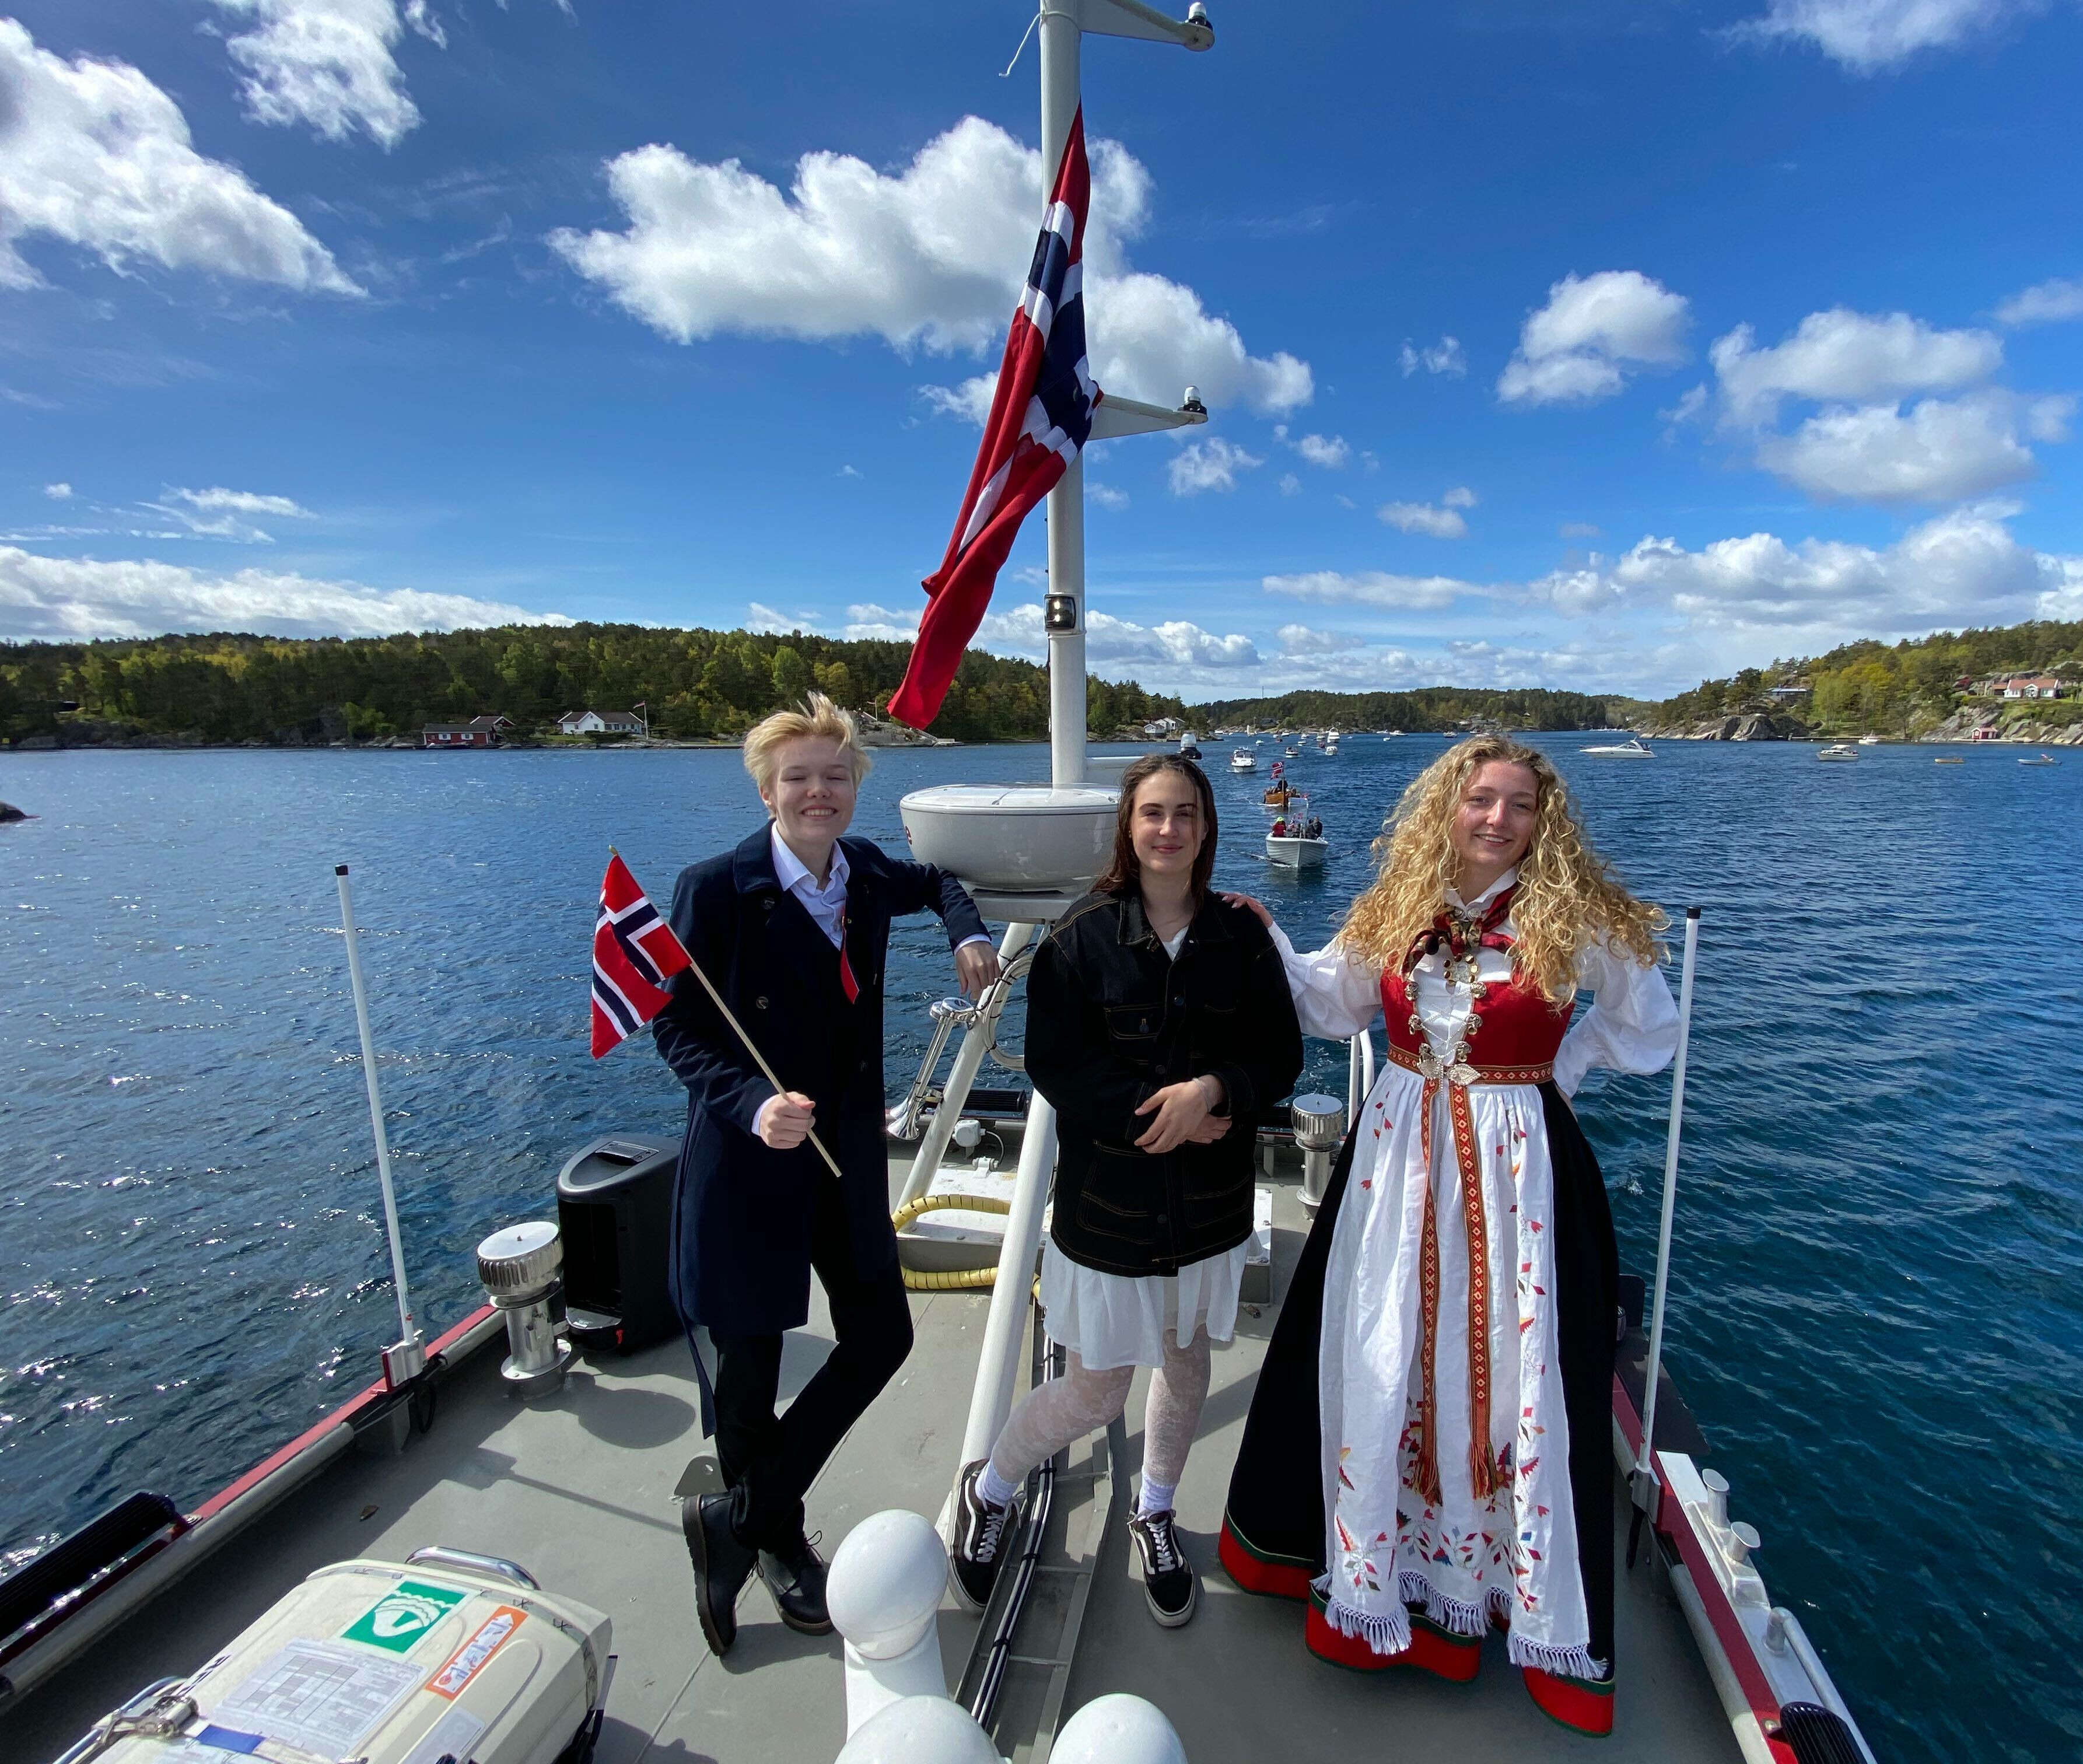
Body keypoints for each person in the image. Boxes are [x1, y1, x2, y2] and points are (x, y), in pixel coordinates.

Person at [1217, 735, 1678, 1735]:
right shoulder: (1398, 904)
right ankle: (1376, 1580)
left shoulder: (1574, 917)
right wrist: (1270, 938)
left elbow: (1650, 1027)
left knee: (1506, 1364)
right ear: (1449, 807)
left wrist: (1559, 1070)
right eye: (1482, 799)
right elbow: (1332, 1002)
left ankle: (1487, 1590)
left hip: (1517, 1173)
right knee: (1388, 1346)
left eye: (1521, 805)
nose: (1498, 819)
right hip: (1397, 1161)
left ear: (1543, 822)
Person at [653, 691, 999, 1656]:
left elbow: (939, 880)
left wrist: (967, 932)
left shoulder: (866, 873)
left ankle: (739, 1517)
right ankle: (773, 1540)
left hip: (841, 1159)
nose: (818, 792)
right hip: (748, 1166)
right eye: (798, 777)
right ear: (766, 791)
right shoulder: (715, 889)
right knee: (750, 1375)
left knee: (881, 1335)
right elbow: (675, 1026)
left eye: (835, 776)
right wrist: (748, 1103)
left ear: (855, 787)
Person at [952, 756, 1303, 1628]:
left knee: (1186, 1362)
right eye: (1153, 813)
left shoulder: (1241, 936)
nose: (1169, 829)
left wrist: (1215, 1091)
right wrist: (1170, 1114)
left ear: (1207, 827)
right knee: (1095, 1391)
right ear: (1129, 826)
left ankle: (1156, 1510)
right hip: (1111, 1211)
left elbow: (1279, 1055)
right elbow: (1057, 1067)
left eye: (1185, 813)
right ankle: (991, 1488)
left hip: (1208, 1212)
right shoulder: (1081, 938)